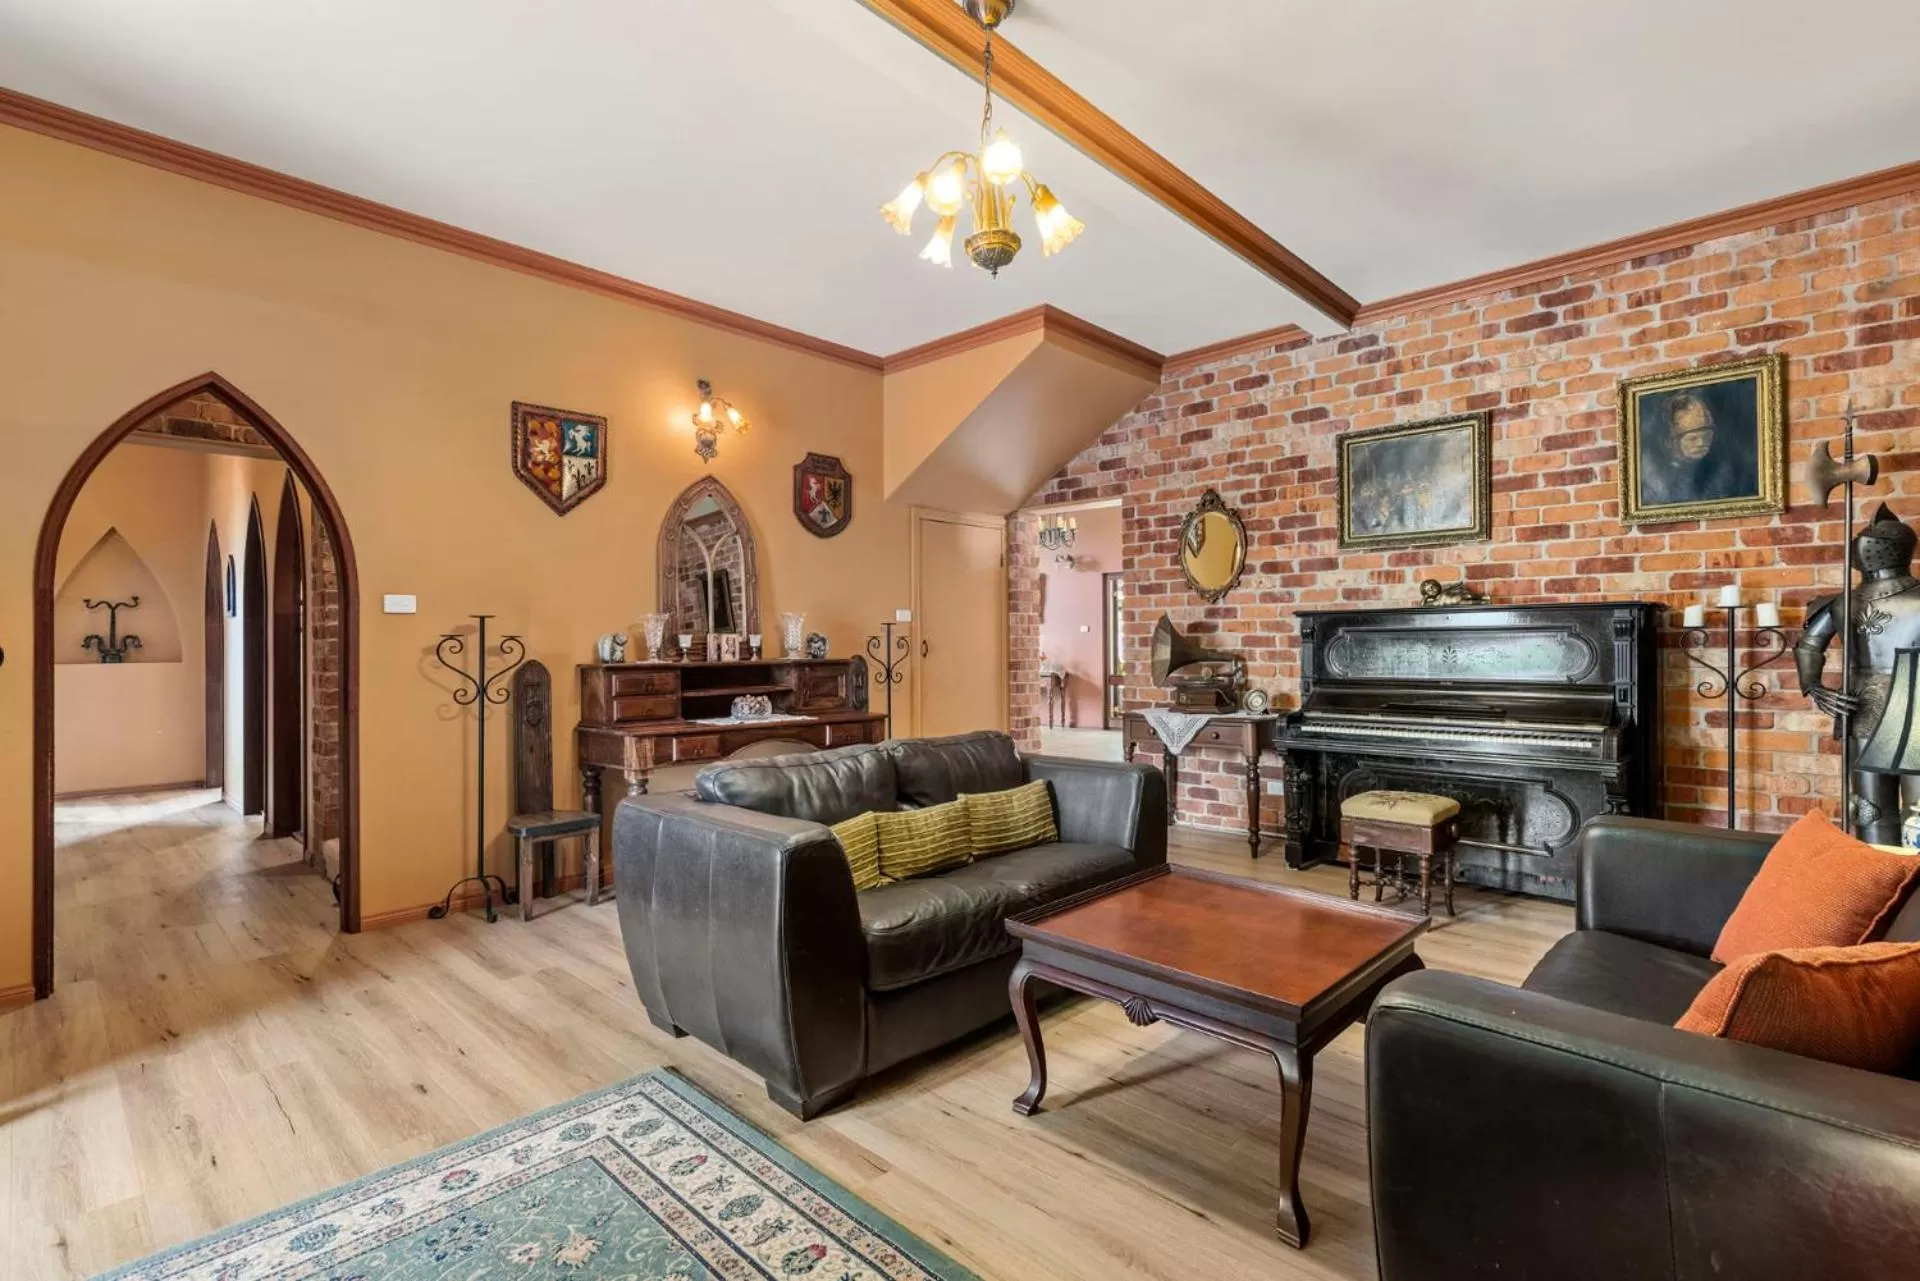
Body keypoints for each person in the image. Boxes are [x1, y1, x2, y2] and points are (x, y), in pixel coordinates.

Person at [1638, 391, 1757, 507]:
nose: (1701, 443)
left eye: (1706, 436)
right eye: (1692, 438)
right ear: (1669, 441)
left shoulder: (1726, 472)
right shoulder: (1650, 475)